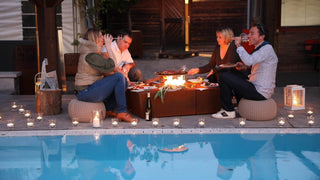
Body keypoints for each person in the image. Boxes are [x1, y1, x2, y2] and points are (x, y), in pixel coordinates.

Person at [212, 23, 278, 119]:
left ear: (262, 36)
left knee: (223, 76)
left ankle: (228, 111)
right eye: (249, 33)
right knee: (235, 73)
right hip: (256, 86)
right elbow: (255, 64)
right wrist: (244, 67)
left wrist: (238, 44)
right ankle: (239, 106)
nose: (248, 36)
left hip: (259, 92)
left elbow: (249, 60)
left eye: (252, 34)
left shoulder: (266, 49)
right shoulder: (262, 48)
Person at [75, 28, 134, 122]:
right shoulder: (90, 55)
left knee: (123, 81)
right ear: (95, 39)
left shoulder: (94, 53)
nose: (103, 37)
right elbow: (113, 65)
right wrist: (108, 46)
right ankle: (122, 111)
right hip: (85, 92)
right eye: (101, 36)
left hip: (90, 88)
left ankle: (109, 109)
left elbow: (112, 66)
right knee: (119, 77)